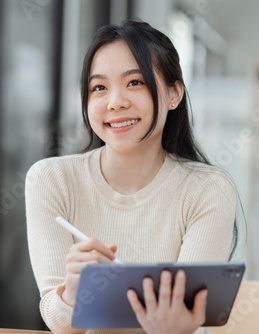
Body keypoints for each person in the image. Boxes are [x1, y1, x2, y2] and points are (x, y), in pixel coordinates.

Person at [25, 19, 238, 334]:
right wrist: (72, 293)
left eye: (135, 82)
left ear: (175, 93)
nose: (115, 102)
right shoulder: (50, 179)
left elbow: (185, 320)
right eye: (99, 87)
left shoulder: (208, 189)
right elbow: (61, 325)